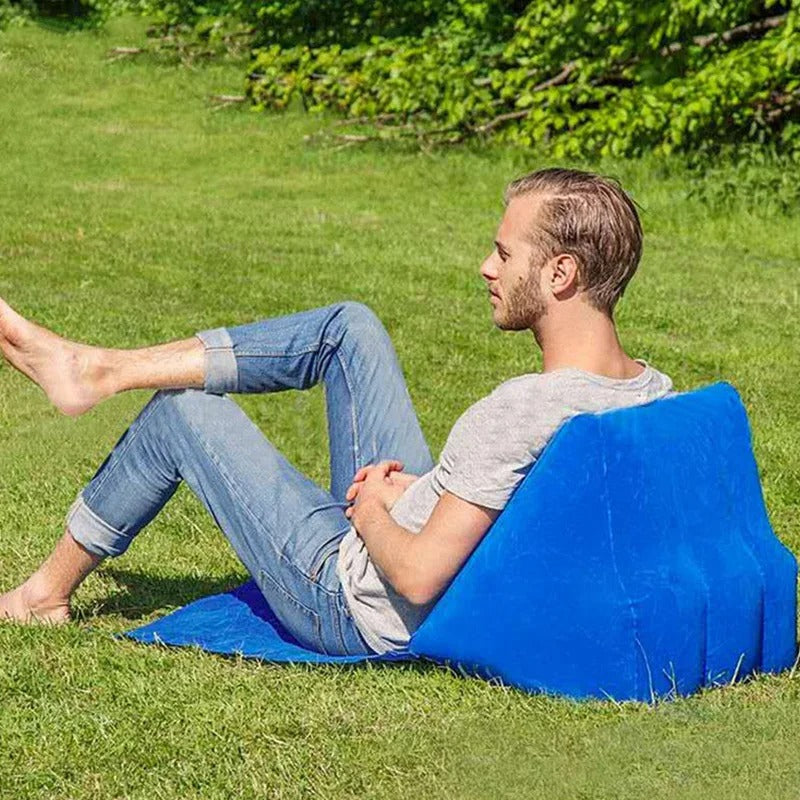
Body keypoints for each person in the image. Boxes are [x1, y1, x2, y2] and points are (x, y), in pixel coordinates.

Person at [0, 167, 673, 656]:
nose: (485, 267)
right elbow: (535, 513)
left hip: (351, 599)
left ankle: (42, 598)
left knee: (184, 413)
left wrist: (372, 508)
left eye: (503, 252)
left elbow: (414, 576)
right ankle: (100, 368)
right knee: (349, 328)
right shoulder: (650, 393)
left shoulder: (519, 409)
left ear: (559, 274)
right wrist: (425, 490)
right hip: (428, 529)